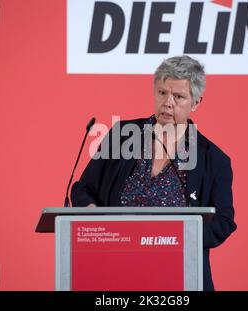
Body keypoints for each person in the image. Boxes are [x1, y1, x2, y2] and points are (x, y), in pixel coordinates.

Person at [71, 55, 237, 291]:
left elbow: (223, 222)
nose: (168, 103)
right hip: (116, 272)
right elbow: (83, 190)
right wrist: (94, 216)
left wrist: (175, 237)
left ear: (196, 103)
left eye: (178, 96)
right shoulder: (122, 135)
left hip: (180, 277)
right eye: (162, 93)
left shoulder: (214, 160)